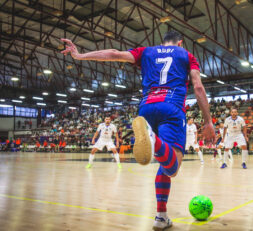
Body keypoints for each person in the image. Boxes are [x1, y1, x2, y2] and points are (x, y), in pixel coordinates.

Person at [61, 31, 215, 230]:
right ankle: (152, 139)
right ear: (180, 42)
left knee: (163, 163)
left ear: (162, 41)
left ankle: (161, 216)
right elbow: (198, 87)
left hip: (146, 108)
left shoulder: (147, 51)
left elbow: (115, 53)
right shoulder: (186, 55)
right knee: (172, 168)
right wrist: (208, 121)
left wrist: (80, 55)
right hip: (171, 108)